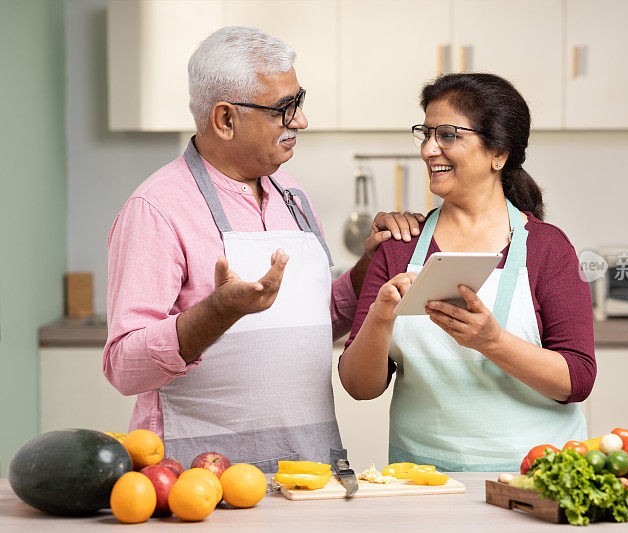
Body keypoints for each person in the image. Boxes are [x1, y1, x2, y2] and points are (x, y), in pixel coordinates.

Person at [103, 26, 423, 472]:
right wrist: (218, 311)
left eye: (299, 101)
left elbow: (314, 320)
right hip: (198, 480)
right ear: (225, 119)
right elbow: (124, 367)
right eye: (283, 109)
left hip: (307, 469)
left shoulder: (291, 194)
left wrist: (368, 267)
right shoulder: (155, 208)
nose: (300, 121)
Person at [338, 73, 596, 472]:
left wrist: (492, 341)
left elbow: (576, 379)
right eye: (425, 134)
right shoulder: (399, 247)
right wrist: (379, 317)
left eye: (447, 135)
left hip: (539, 478)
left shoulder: (548, 247)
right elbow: (359, 387)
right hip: (423, 481)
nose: (428, 150)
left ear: (499, 153)